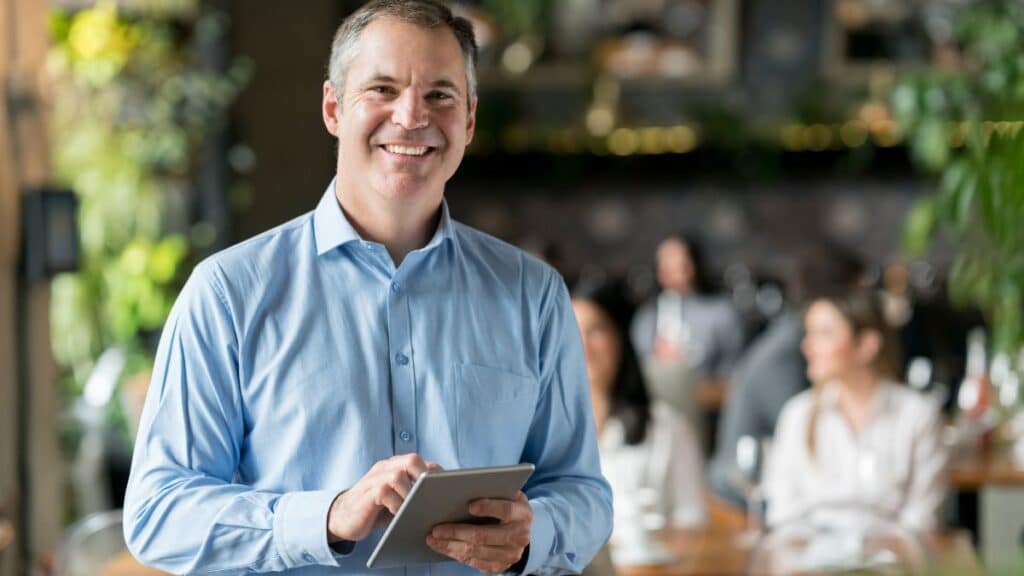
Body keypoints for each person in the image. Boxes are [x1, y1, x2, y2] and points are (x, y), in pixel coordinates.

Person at [122, 2, 613, 574]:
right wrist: (325, 516)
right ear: (334, 107)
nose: (411, 116)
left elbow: (583, 492)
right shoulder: (229, 294)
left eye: (440, 95)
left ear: (470, 120)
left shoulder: (534, 295)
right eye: (382, 88)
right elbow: (158, 513)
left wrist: (536, 534)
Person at [763, 288, 948, 532]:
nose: (808, 346)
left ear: (866, 345)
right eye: (809, 333)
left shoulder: (916, 415)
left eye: (824, 334)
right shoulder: (798, 414)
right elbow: (782, 513)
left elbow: (922, 518)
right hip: (813, 565)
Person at [708, 244, 864, 508]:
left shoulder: (793, 334)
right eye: (859, 293)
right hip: (743, 492)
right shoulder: (785, 355)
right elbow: (811, 439)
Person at [572, 280, 705, 556]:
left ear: (619, 336)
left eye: (595, 330)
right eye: (572, 331)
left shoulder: (668, 428)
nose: (583, 344)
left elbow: (692, 521)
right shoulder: (540, 431)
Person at [630, 234, 744, 382]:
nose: (673, 274)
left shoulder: (720, 312)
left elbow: (734, 365)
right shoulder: (646, 318)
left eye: (680, 265)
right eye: (665, 266)